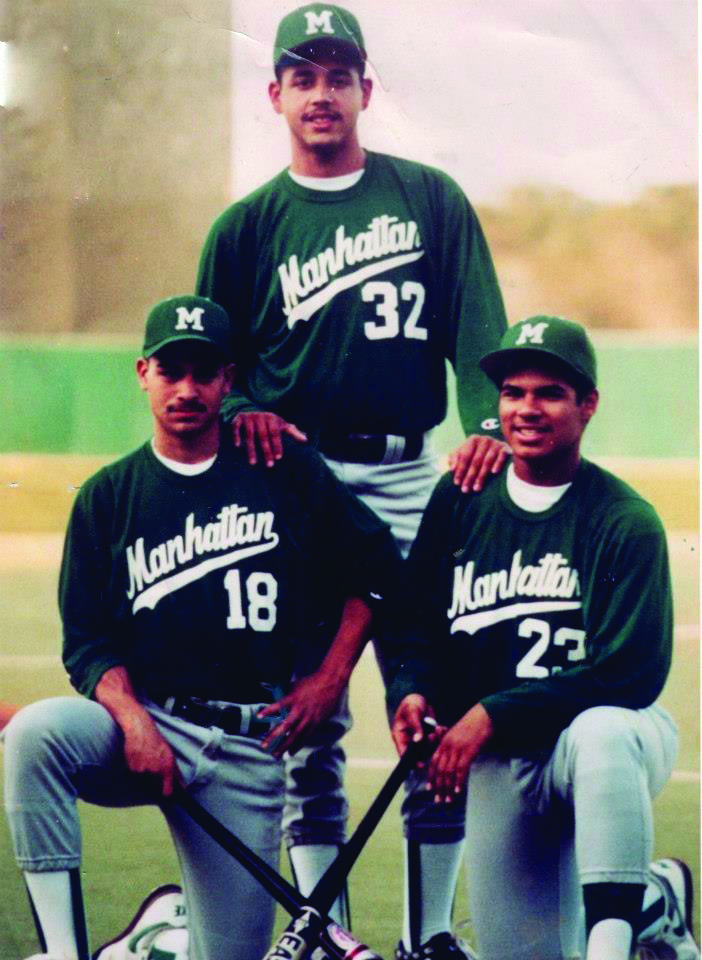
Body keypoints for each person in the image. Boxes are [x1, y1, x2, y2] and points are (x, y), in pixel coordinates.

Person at [195, 5, 508, 954]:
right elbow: (211, 358)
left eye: (339, 75)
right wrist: (242, 403)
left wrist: (485, 425)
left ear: (366, 90)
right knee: (305, 710)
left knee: (431, 697)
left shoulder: (428, 198)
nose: (321, 92)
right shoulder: (248, 226)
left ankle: (428, 934)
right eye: (304, 75)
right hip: (292, 478)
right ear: (275, 94)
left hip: (408, 470)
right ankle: (319, 928)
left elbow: (477, 334)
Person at [3, 295, 401, 960]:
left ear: (227, 380)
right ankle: (63, 953)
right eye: (170, 370)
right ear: (142, 373)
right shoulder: (109, 495)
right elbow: (88, 642)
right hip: (147, 724)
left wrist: (329, 678)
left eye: (203, 372)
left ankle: (159, 940)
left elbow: (378, 568)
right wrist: (133, 722)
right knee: (37, 734)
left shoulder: (282, 469)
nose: (186, 389)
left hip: (246, 747)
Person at [387, 315, 699, 960]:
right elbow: (416, 619)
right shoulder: (461, 499)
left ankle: (612, 941)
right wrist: (412, 689)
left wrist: (488, 714)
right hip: (507, 758)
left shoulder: (623, 519)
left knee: (603, 729)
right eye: (512, 393)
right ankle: (652, 906)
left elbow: (631, 673)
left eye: (549, 393)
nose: (526, 409)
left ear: (587, 405)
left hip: (605, 744)